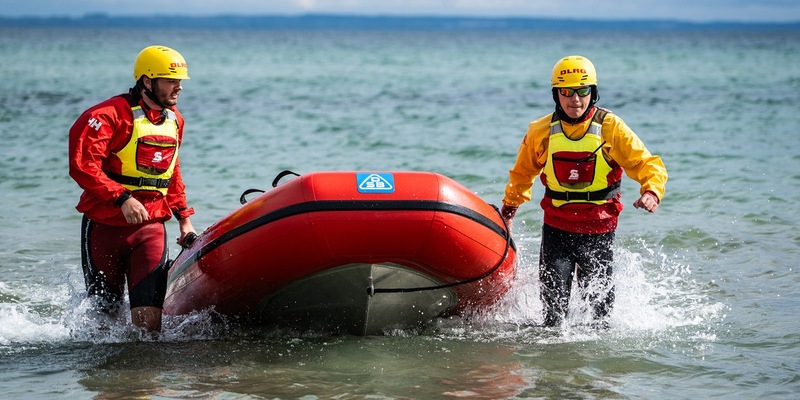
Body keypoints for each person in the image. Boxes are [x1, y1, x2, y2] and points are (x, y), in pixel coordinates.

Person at [500, 55, 667, 328]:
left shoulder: (611, 128)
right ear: (556, 94)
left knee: (599, 319)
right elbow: (522, 174)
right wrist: (509, 209)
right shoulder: (541, 131)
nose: (575, 99)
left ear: (594, 92)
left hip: (599, 229)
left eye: (583, 91)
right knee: (554, 318)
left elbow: (647, 164)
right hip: (557, 229)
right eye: (566, 92)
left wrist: (652, 191)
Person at [68, 45, 197, 333]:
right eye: (170, 81)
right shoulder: (107, 116)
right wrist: (122, 198)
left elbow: (171, 173)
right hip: (105, 226)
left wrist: (184, 220)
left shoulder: (175, 121)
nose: (178, 88)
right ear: (147, 81)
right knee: (104, 322)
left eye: (180, 82)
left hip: (150, 229)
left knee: (150, 326)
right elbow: (83, 165)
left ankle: (144, 377)